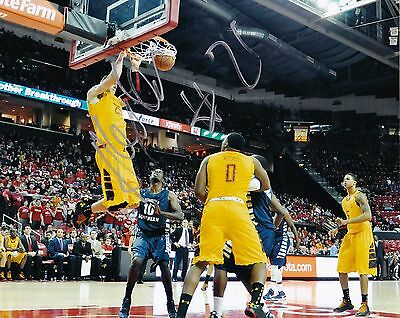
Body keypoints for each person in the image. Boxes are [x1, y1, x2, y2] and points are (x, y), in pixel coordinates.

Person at [176, 133, 271, 318]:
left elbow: (198, 191)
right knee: (259, 260)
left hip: (213, 209)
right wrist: (245, 187)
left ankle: (181, 314)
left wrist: (212, 200)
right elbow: (265, 185)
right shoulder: (251, 161)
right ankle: (255, 302)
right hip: (238, 209)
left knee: (200, 263)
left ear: (225, 144)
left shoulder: (209, 159)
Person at [211, 155, 299, 317]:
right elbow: (282, 211)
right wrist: (275, 227)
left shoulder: (252, 182)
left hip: (253, 230)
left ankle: (217, 311)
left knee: (222, 264)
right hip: (264, 231)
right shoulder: (267, 187)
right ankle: (263, 308)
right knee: (244, 271)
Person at [74, 51, 142, 227]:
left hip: (122, 151)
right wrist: (119, 60)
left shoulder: (116, 101)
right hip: (107, 151)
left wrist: (135, 68)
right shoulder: (94, 96)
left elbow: (135, 93)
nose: (114, 87)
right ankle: (88, 209)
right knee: (117, 202)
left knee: (133, 202)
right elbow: (113, 78)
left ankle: (87, 209)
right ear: (103, 84)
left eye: (115, 87)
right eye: (112, 85)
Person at [119, 169, 184, 318]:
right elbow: (126, 204)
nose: (156, 172)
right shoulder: (141, 193)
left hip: (160, 236)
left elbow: (180, 215)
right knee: (137, 261)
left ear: (163, 180)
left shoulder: (168, 195)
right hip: (143, 235)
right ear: (149, 178)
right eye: (154, 172)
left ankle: (170, 302)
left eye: (159, 171)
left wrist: (162, 213)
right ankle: (126, 301)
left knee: (164, 267)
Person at [333, 173, 377, 317]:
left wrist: (346, 222)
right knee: (341, 269)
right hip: (351, 234)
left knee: (363, 271)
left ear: (355, 182)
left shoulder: (360, 196)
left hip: (363, 234)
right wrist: (339, 228)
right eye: (344, 179)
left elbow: (368, 215)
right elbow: (351, 219)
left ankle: (364, 304)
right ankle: (347, 300)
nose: (345, 181)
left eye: (348, 179)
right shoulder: (344, 200)